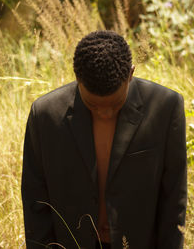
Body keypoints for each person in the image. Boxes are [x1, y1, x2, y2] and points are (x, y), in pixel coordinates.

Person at [21, 30, 187, 249]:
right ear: (77, 78)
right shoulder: (45, 116)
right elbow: (35, 203)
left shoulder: (165, 108)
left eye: (115, 104)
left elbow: (174, 199)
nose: (105, 114)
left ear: (130, 74)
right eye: (93, 106)